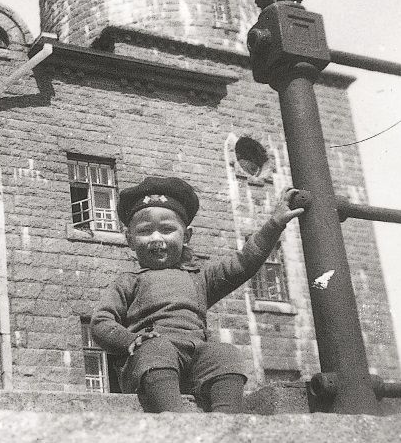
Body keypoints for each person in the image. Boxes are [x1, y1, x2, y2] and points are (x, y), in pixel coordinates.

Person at [90, 176, 304, 413]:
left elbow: (243, 263)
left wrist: (274, 224)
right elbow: (101, 322)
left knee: (225, 354)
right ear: (129, 239)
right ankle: (175, 419)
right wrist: (131, 340)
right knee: (156, 349)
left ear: (187, 236)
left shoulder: (200, 278)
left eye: (167, 229)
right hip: (149, 366)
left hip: (195, 364)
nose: (157, 238)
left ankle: (227, 424)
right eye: (145, 231)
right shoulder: (129, 281)